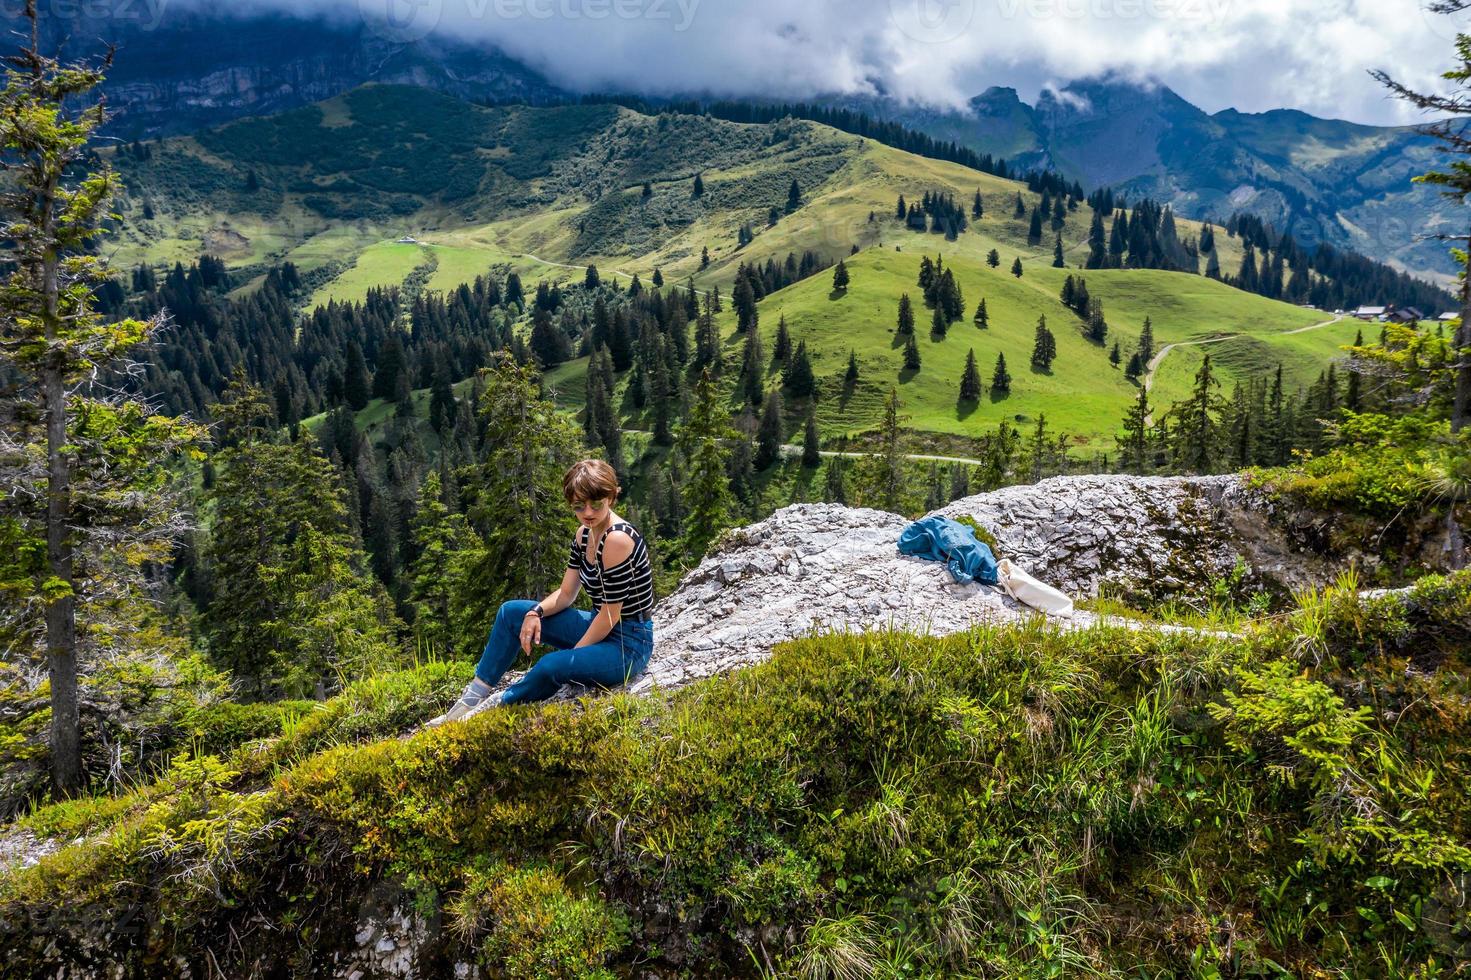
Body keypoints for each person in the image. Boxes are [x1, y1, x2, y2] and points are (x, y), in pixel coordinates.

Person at [427, 459, 656, 726]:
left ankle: (491, 709)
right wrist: (536, 612)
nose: (588, 512)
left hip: (628, 644)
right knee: (512, 612)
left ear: (612, 497)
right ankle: (471, 698)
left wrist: (574, 658)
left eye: (596, 503)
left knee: (551, 665)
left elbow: (609, 616)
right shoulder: (584, 534)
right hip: (598, 626)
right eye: (579, 506)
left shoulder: (618, 539)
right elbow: (567, 593)